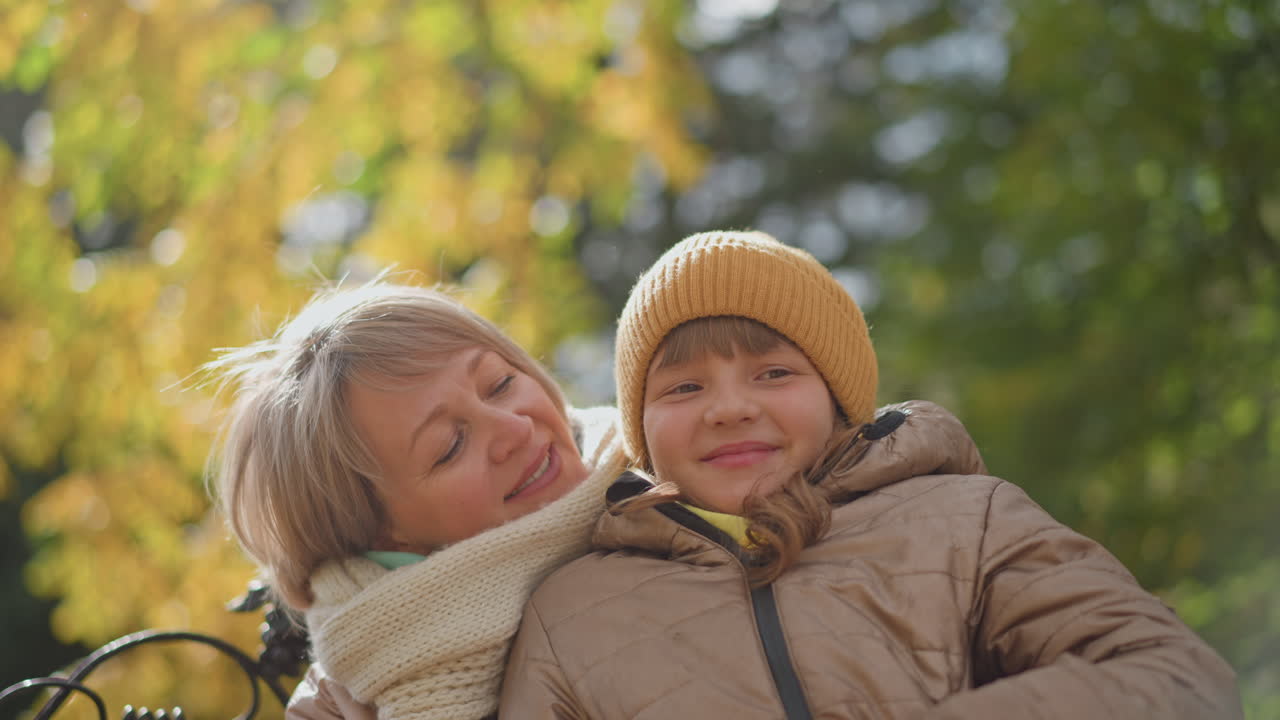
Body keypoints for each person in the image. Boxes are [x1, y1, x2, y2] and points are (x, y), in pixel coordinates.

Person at [499, 231, 1242, 719]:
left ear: (838, 400)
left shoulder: (964, 521)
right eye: (683, 388)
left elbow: (1175, 677)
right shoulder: (572, 611)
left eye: (773, 371)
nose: (729, 408)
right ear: (642, 431)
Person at [207, 281, 626, 720]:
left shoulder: (682, 470)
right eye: (450, 446)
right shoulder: (337, 708)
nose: (515, 429)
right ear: (383, 536)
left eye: (499, 384)